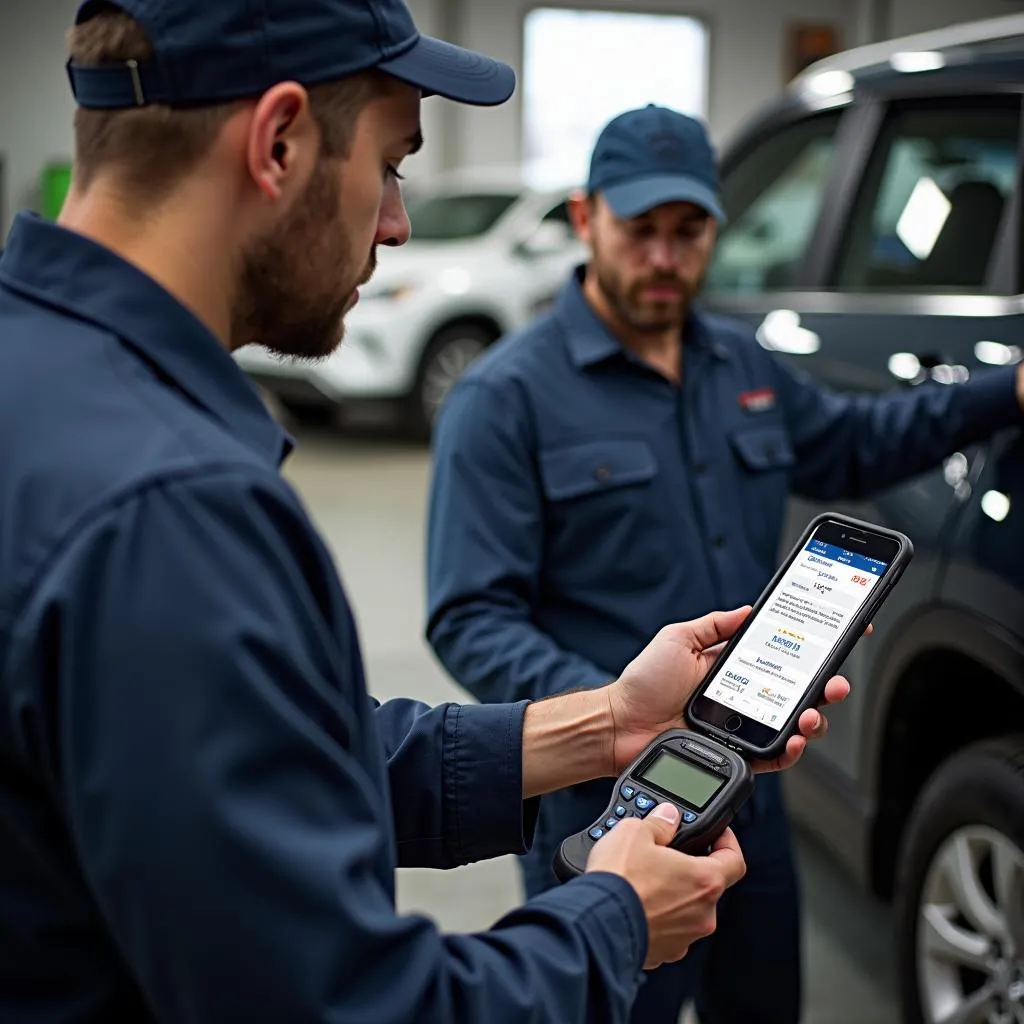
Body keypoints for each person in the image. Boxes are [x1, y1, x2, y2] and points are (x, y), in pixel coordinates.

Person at [0, 6, 854, 1024]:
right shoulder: (171, 509)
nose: (397, 222)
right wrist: (613, 919)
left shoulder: (41, 377)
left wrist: (605, 725)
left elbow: (270, 760)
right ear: (277, 142)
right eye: (392, 164)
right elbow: (351, 1006)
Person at [425, 103, 1024, 1024]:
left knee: (760, 1001)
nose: (666, 257)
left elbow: (860, 442)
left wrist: (1005, 389)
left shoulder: (740, 364)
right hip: (607, 801)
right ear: (586, 221)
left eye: (689, 230)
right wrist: (616, 713)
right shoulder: (504, 399)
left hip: (750, 782)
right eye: (642, 230)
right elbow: (470, 613)